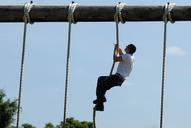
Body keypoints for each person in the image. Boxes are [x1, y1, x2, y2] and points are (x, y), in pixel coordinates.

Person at [93, 43, 136, 111]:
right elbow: (122, 55)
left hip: (117, 77)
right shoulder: (131, 57)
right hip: (120, 79)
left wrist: (115, 49)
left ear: (129, 49)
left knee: (101, 85)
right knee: (101, 81)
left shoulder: (127, 56)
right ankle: (100, 104)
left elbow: (115, 59)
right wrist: (118, 49)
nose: (125, 47)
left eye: (127, 47)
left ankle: (101, 100)